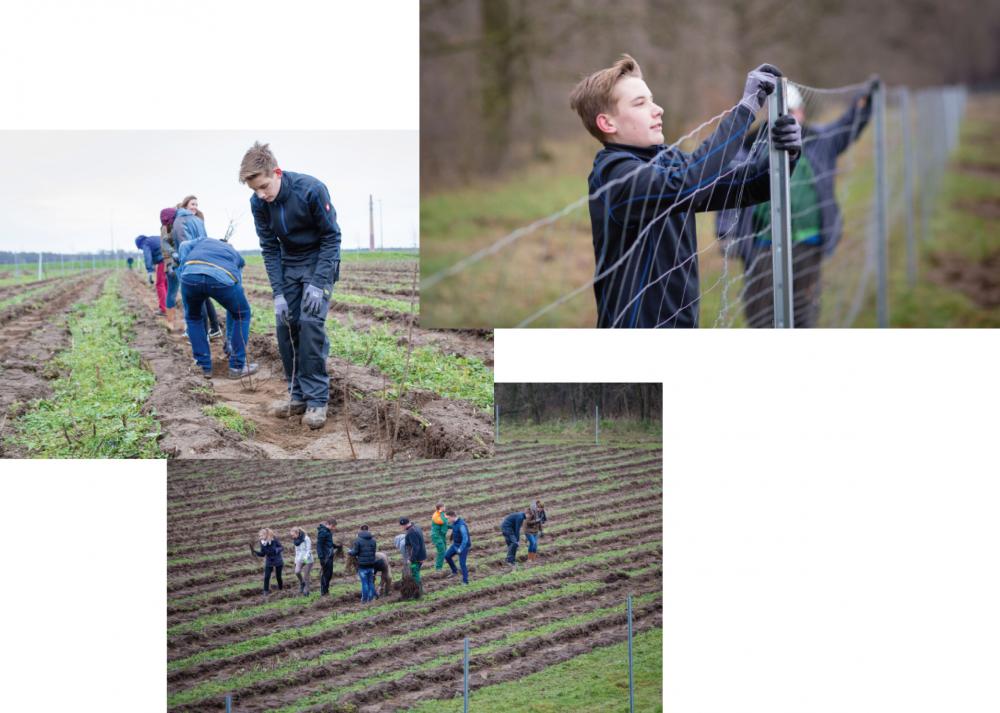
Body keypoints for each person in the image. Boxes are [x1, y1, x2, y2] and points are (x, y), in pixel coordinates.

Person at [569, 56, 802, 328]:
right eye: (640, 103)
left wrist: (786, 154)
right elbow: (687, 182)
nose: (658, 109)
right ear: (608, 124)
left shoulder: (667, 160)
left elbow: (748, 186)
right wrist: (745, 110)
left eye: (652, 100)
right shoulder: (615, 174)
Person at [717, 78, 877, 327]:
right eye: (783, 113)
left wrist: (863, 106)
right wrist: (727, 234)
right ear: (770, 116)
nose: (789, 118)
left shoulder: (819, 141)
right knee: (761, 317)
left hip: (807, 242)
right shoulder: (749, 146)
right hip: (762, 246)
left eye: (793, 111)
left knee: (804, 313)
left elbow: (847, 127)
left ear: (802, 112)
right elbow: (730, 189)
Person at [240, 142, 342, 429]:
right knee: (285, 327)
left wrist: (318, 283)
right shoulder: (258, 203)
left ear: (277, 172)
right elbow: (269, 247)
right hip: (289, 263)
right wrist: (279, 294)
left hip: (318, 260)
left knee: (310, 324)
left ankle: (317, 400)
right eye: (255, 191)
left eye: (264, 187)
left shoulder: (311, 189)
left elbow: (332, 237)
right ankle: (297, 395)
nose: (262, 195)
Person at [176, 235, 258, 380]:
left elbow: (183, 245)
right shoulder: (235, 254)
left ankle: (203, 367)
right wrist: (229, 339)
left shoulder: (203, 240)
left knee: (193, 318)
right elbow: (236, 289)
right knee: (242, 314)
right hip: (221, 277)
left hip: (190, 275)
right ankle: (237, 366)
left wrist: (183, 268)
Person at [169, 197, 225, 339]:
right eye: (192, 204)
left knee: (195, 298)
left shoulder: (180, 221)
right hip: (201, 260)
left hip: (191, 262)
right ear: (185, 206)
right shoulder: (198, 220)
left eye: (196, 204)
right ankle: (214, 328)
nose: (195, 207)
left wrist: (184, 261)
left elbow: (184, 244)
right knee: (204, 296)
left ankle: (201, 334)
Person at [134, 234, 167, 315]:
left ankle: (163, 309)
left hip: (163, 262)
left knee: (160, 284)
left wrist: (149, 271)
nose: (142, 249)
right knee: (166, 284)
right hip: (171, 261)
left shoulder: (145, 244)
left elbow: (147, 256)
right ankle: (169, 307)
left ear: (139, 244)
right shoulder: (153, 239)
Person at [348, 524, 378, 603]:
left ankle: (364, 600)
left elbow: (355, 552)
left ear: (360, 530)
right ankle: (370, 599)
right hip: (371, 564)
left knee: (364, 583)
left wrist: (349, 551)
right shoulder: (373, 540)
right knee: (370, 582)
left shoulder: (357, 540)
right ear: (368, 530)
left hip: (362, 565)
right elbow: (374, 552)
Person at [250, 528, 284, 597]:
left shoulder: (274, 540)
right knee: (266, 576)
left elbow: (281, 547)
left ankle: (280, 588)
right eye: (259, 536)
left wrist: (276, 550)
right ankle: (265, 591)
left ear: (266, 535)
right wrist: (255, 552)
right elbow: (263, 554)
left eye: (261, 536)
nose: (260, 537)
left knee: (278, 577)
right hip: (269, 561)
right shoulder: (262, 543)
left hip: (278, 560)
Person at [443, 509, 471, 584]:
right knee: (447, 556)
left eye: (448, 518)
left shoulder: (461, 525)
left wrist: (460, 549)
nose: (447, 520)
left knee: (462, 564)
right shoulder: (454, 523)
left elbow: (465, 538)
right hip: (455, 544)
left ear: (452, 517)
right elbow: (453, 528)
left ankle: (465, 581)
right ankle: (454, 571)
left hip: (463, 546)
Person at [399, 517, 427, 588]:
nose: (401, 527)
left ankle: (419, 590)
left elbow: (415, 547)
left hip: (416, 558)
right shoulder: (416, 527)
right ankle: (418, 588)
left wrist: (411, 559)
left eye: (401, 526)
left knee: (415, 573)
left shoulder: (411, 532)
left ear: (404, 525)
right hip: (421, 555)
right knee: (416, 572)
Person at [316, 518, 339, 596]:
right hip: (325, 557)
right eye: (334, 526)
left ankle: (326, 591)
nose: (334, 528)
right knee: (326, 575)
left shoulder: (328, 531)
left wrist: (335, 546)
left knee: (329, 574)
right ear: (330, 525)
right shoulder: (323, 532)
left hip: (329, 556)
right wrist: (321, 558)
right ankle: (324, 592)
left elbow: (328, 543)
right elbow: (319, 546)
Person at [290, 526, 314, 596]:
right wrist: (296, 560)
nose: (292, 537)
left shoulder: (306, 538)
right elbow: (297, 551)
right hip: (299, 558)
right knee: (297, 571)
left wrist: (305, 558)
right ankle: (302, 582)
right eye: (291, 535)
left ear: (297, 533)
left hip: (307, 559)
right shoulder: (295, 541)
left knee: (306, 575)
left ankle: (306, 591)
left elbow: (308, 549)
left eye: (293, 535)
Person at [430, 503, 451, 571]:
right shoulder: (438, 515)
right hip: (437, 536)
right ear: (441, 507)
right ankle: (438, 568)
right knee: (441, 551)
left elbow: (445, 525)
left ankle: (444, 564)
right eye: (444, 506)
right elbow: (444, 525)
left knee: (445, 550)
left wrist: (454, 526)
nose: (445, 507)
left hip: (440, 535)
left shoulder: (440, 514)